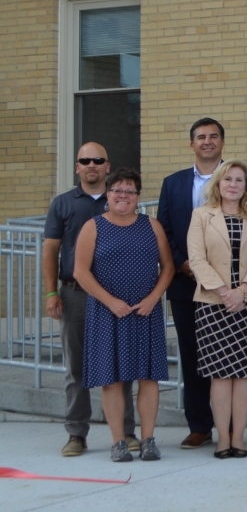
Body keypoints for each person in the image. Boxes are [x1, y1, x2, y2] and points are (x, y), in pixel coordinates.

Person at [73, 169, 174, 463]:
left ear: (138, 197)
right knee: (112, 380)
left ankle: (148, 440)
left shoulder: (151, 226)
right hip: (107, 313)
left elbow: (167, 266)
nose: (123, 196)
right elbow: (81, 271)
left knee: (148, 377)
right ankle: (118, 442)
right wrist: (110, 301)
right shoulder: (93, 227)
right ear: (108, 194)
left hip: (145, 311)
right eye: (117, 190)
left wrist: (153, 298)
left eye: (130, 191)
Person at [42, 142, 136, 457]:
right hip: (76, 295)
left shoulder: (120, 202)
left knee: (122, 366)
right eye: (85, 160)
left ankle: (126, 433)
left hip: (118, 297)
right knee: (76, 367)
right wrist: (51, 292)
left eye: (98, 160)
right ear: (77, 167)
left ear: (108, 166)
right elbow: (51, 250)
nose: (91, 164)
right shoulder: (63, 204)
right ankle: (76, 434)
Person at [187, 160, 247, 459]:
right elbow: (196, 258)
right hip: (212, 303)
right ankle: (223, 438)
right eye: (228, 179)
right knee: (220, 375)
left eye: (240, 180)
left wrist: (242, 291)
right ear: (218, 184)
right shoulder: (201, 215)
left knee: (245, 374)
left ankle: (239, 437)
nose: (234, 184)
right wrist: (224, 292)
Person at [157, 117, 225, 449]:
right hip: (186, 282)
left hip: (228, 285)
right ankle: (199, 425)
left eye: (213, 136)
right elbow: (164, 231)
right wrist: (184, 265)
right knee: (192, 353)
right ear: (192, 144)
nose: (207, 141)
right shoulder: (173, 183)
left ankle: (229, 425)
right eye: (201, 137)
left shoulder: (239, 177)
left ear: (222, 143)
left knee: (227, 354)